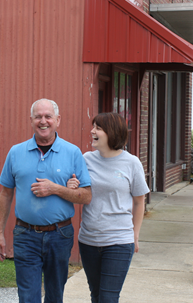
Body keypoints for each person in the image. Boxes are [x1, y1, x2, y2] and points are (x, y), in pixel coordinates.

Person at [0, 98, 92, 303]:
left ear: (58, 120)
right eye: (38, 117)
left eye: (48, 116)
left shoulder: (72, 152)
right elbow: (5, 194)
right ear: (31, 120)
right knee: (28, 296)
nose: (43, 121)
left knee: (55, 295)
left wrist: (55, 189)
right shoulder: (16, 152)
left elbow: (86, 196)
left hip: (60, 234)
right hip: (25, 234)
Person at [67, 112, 149, 303]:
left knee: (108, 298)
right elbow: (79, 190)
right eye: (93, 126)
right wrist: (72, 186)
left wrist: (135, 235)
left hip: (119, 241)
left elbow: (139, 201)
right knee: (96, 296)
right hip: (88, 241)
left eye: (98, 128)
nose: (92, 131)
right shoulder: (86, 159)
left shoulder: (131, 163)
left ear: (112, 132)